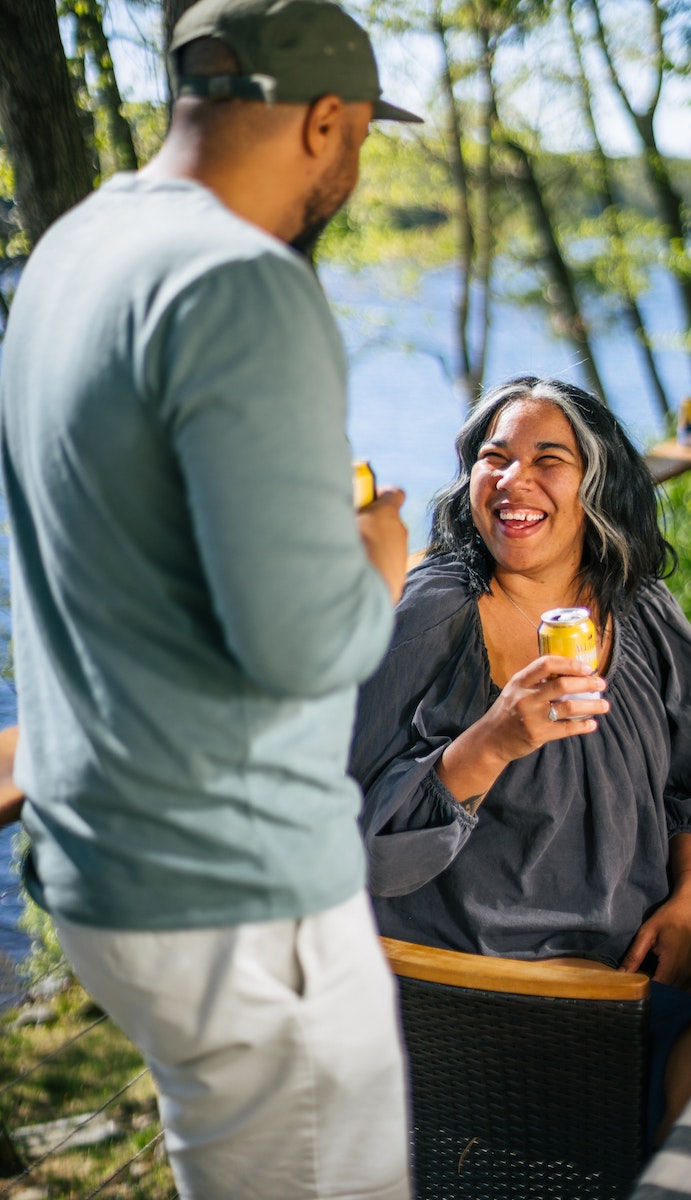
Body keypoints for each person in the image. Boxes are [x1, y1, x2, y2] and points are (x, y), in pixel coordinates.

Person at [0, 2, 422, 1198]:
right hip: (234, 889)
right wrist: (376, 563)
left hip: (101, 854)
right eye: (356, 141)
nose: (348, 171)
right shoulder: (244, 282)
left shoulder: (69, 257)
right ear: (323, 121)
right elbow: (298, 640)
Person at [350, 374, 691, 1146]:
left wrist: (689, 900)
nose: (513, 479)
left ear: (597, 484)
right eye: (494, 457)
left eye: (547, 458)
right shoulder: (427, 615)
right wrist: (493, 741)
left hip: (643, 948)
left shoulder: (638, 607)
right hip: (483, 988)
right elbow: (346, 844)